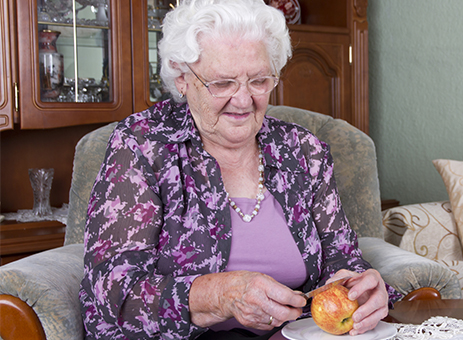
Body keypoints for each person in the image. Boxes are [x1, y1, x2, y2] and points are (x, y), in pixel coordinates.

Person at [79, 1, 400, 339]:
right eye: (222, 83)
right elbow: (113, 291)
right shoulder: (143, 145)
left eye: (259, 81)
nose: (244, 100)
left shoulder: (304, 150)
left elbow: (341, 259)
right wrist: (219, 295)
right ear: (182, 78)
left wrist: (358, 290)